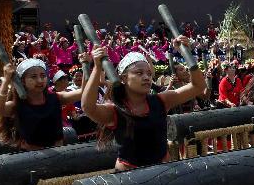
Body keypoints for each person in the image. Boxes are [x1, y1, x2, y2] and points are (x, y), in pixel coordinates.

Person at [81, 39, 206, 171]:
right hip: (130, 179)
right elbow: (87, 107)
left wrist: (185, 52)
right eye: (139, 73)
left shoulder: (162, 100)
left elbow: (198, 86)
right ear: (123, 78)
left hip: (163, 174)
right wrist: (97, 67)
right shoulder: (114, 110)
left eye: (149, 74)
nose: (147, 77)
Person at [0, 57, 85, 150]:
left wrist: (86, 65)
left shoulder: (56, 98)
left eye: (43, 76)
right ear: (23, 81)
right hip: (32, 158)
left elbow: (85, 91)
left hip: (58, 156)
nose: (40, 80)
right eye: (33, 77)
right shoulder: (17, 104)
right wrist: (6, 81)